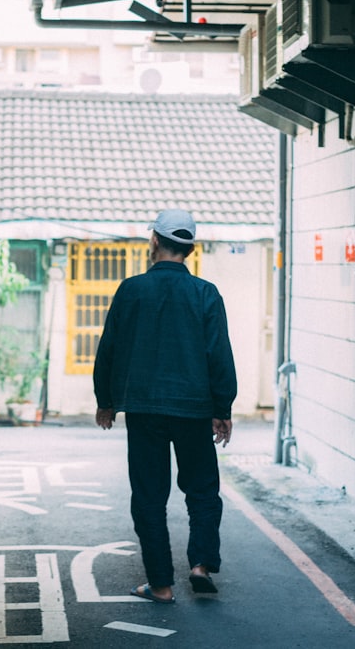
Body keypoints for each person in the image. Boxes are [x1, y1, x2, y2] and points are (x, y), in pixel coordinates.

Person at [93, 208, 236, 604]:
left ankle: (160, 585)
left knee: (150, 496)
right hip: (193, 409)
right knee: (203, 490)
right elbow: (219, 355)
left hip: (144, 411)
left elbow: (109, 350)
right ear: (190, 249)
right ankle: (201, 565)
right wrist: (222, 408)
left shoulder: (130, 290)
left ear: (153, 241)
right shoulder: (205, 294)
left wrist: (106, 401)